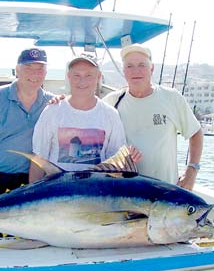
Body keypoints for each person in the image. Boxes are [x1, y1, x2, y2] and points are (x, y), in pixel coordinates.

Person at [0, 48, 54, 236]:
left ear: (45, 73)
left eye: (39, 68)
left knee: (27, 242)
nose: (34, 73)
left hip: (32, 184)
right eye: (28, 68)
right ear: (17, 70)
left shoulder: (52, 103)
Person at [103, 44, 203, 191]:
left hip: (165, 193)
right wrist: (57, 101)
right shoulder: (111, 101)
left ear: (152, 68)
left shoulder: (171, 97)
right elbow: (85, 118)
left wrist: (191, 171)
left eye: (141, 65)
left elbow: (195, 133)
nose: (135, 71)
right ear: (124, 71)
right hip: (124, 193)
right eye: (129, 66)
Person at [29, 54, 141, 182]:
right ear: (68, 77)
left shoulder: (111, 115)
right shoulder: (52, 111)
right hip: (57, 193)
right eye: (77, 75)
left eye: (88, 75)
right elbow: (38, 159)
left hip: (96, 194)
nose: (82, 81)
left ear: (98, 77)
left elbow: (116, 163)